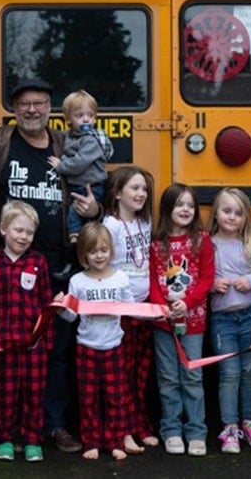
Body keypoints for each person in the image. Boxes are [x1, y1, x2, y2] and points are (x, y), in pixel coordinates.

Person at [0, 78, 101, 454]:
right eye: (25, 104)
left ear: (50, 108)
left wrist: (96, 210)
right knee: (8, 352)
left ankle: (51, 426)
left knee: (55, 353)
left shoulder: (68, 145)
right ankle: (8, 429)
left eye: (39, 103)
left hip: (59, 267)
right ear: (14, 109)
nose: (32, 110)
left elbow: (97, 185)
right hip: (7, 270)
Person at [0, 201, 52, 462]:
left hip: (33, 346)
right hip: (3, 346)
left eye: (29, 233)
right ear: (3, 230)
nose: (23, 237)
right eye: (18, 230)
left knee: (34, 393)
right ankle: (5, 439)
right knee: (6, 395)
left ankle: (32, 439)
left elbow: (46, 303)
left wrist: (46, 340)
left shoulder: (38, 263)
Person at [53, 222, 132, 461]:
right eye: (93, 251)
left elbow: (131, 308)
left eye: (104, 250)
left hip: (114, 347)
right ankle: (91, 441)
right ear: (84, 254)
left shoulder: (121, 278)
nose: (99, 255)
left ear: (111, 251)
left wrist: (159, 311)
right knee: (88, 399)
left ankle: (114, 441)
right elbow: (71, 316)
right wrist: (60, 307)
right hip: (86, 347)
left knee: (116, 398)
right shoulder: (78, 281)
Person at [148, 183, 214, 457]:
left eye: (190, 205)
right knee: (167, 378)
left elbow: (207, 278)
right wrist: (161, 306)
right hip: (163, 323)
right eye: (179, 205)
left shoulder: (201, 240)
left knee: (192, 376)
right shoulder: (156, 243)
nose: (185, 210)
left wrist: (186, 303)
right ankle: (171, 430)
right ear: (167, 209)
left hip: (193, 322)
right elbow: (151, 280)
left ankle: (196, 431)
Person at [102, 166, 158, 454]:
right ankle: (121, 431)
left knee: (140, 373)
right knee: (120, 375)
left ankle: (139, 425)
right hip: (120, 312)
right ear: (117, 193)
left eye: (144, 189)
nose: (141, 194)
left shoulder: (145, 223)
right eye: (134, 188)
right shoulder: (110, 226)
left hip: (144, 310)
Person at [209, 187, 251, 453]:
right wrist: (212, 284)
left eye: (238, 213)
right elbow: (200, 277)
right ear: (216, 213)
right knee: (229, 373)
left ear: (245, 217)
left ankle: (250, 421)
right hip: (223, 319)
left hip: (250, 317)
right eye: (226, 211)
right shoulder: (208, 245)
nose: (232, 217)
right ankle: (230, 427)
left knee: (249, 371)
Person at [48, 89, 114, 244]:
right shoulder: (68, 136)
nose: (86, 120)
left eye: (90, 116)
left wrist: (60, 165)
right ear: (68, 119)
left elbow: (79, 163)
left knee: (75, 211)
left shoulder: (91, 140)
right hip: (77, 186)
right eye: (80, 116)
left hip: (92, 186)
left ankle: (75, 235)